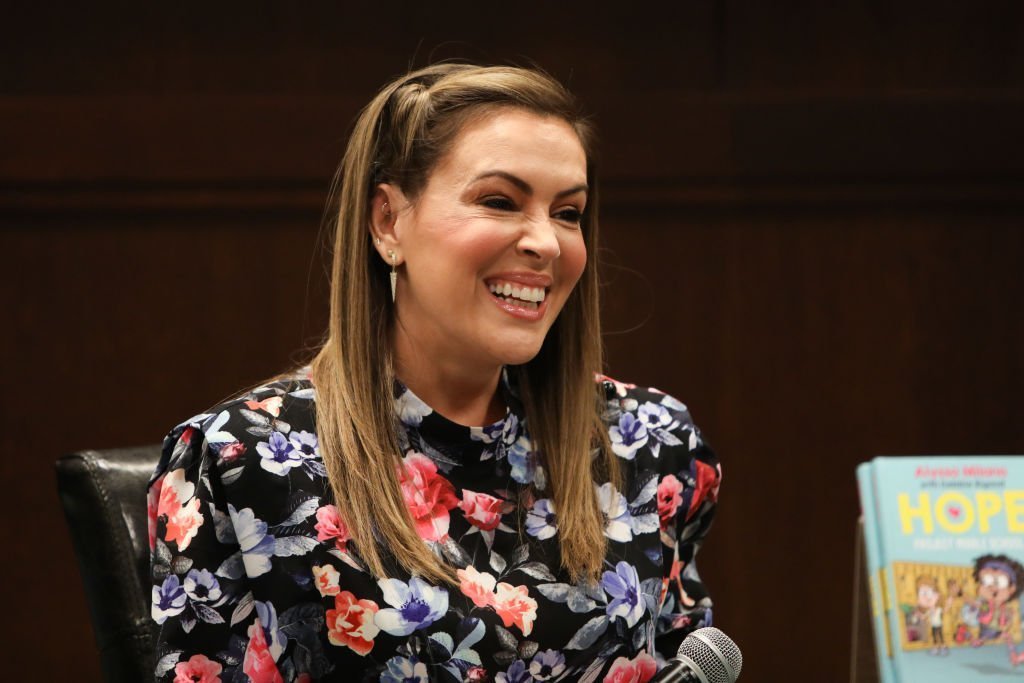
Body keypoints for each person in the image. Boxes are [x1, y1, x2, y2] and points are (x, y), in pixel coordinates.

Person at [148, 62, 722, 683]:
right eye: (500, 201)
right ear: (388, 222)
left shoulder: (648, 439)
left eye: (568, 212)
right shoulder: (245, 459)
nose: (548, 243)